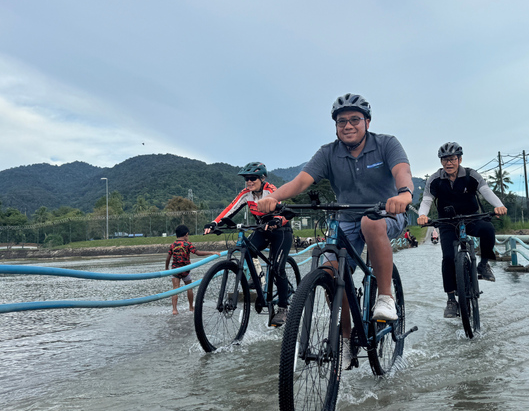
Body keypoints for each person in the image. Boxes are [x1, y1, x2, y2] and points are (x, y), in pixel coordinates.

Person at [257, 93, 413, 370]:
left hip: (386, 214)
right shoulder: (328, 152)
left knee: (369, 222)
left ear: (367, 121)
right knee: (330, 272)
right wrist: (275, 198)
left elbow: (402, 172)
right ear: (336, 125)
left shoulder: (386, 144)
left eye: (355, 119)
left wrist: (404, 193)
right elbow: (300, 181)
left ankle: (386, 297)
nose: (348, 125)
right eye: (342, 121)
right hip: (345, 221)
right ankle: (344, 342)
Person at [416, 142, 507, 318]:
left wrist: (499, 206)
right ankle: (451, 300)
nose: (448, 163)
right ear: (441, 162)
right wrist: (422, 215)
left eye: (452, 159)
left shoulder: (471, 175)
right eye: (445, 160)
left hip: (472, 218)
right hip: (447, 222)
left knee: (488, 229)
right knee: (448, 257)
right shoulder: (435, 179)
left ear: (459, 159)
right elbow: (427, 200)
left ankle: (483, 264)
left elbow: (486, 191)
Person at [203, 162, 294, 327]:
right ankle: (258, 277)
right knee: (248, 249)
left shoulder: (271, 190)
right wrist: (214, 223)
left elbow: (287, 212)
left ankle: (283, 308)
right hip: (262, 228)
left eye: (253, 178)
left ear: (262, 178)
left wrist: (277, 220)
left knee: (277, 267)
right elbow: (231, 208)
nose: (249, 182)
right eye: (247, 179)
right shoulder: (246, 194)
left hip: (281, 230)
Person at [165, 224, 219, 315]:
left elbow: (168, 258)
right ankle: (191, 307)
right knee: (189, 288)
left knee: (175, 289)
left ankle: (174, 309)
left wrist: (166, 268)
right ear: (186, 234)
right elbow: (198, 253)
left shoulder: (173, 245)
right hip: (186, 270)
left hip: (175, 270)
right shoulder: (188, 244)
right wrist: (211, 252)